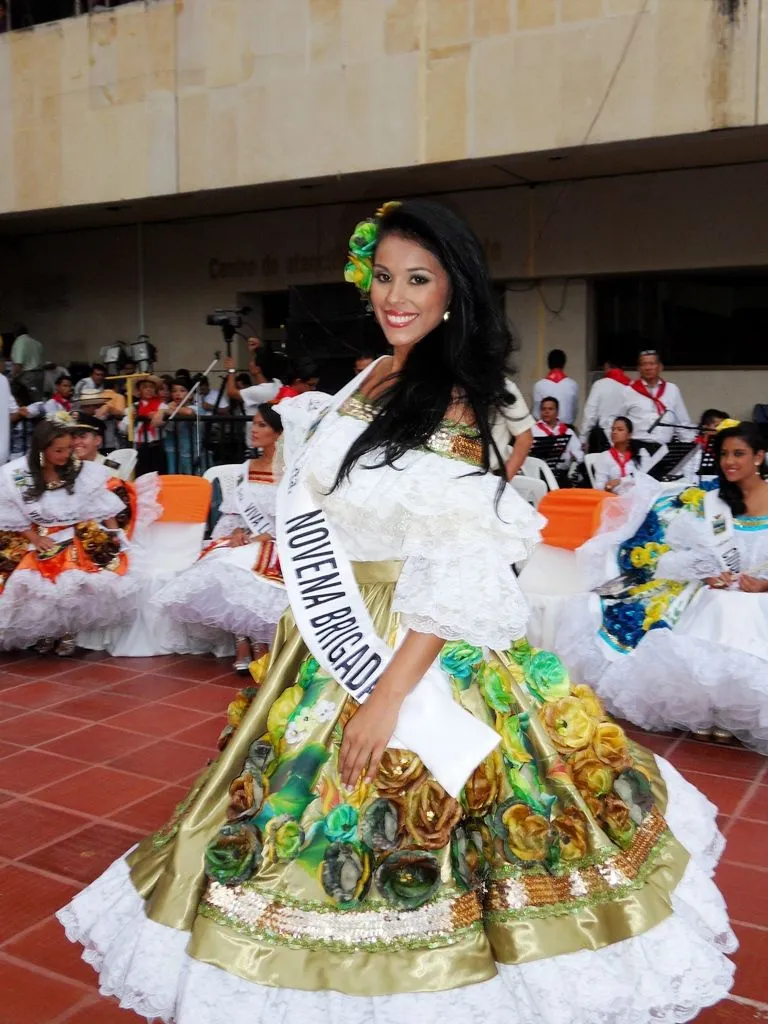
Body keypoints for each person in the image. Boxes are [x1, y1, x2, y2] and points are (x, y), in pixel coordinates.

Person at [58, 199, 734, 1023]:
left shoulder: (452, 393)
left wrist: (386, 695)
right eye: (383, 277)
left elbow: (455, 557)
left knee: (390, 804)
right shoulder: (375, 372)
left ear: (455, 290)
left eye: (418, 279)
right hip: (337, 620)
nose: (395, 295)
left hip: (409, 637)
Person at [563, 422, 768, 751]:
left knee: (737, 610)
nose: (729, 461)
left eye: (739, 454)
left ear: (759, 456)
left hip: (761, 598)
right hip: (715, 593)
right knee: (718, 605)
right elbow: (684, 552)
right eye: (725, 454)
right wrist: (706, 573)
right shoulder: (711, 502)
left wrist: (764, 585)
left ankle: (738, 711)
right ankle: (712, 711)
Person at [153, 405, 289, 672]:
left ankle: (259, 642)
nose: (254, 429)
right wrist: (237, 532)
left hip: (279, 542)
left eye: (262, 425)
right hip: (249, 538)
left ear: (280, 433)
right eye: (255, 423)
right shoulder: (247, 468)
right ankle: (242, 640)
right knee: (222, 559)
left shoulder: (293, 472)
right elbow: (234, 515)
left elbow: (297, 516)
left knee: (246, 570)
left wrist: (266, 535)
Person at [0, 419, 134, 655]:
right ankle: (44, 631)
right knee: (34, 584)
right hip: (38, 535)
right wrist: (35, 537)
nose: (66, 455)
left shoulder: (82, 471)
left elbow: (103, 506)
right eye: (58, 450)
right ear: (42, 450)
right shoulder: (16, 474)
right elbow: (9, 510)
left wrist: (115, 535)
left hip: (76, 534)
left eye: (69, 449)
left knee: (72, 583)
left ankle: (67, 631)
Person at [620, 350, 695, 444]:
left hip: (664, 449)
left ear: (660, 367)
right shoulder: (628, 391)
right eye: (644, 364)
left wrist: (690, 445)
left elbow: (683, 423)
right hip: (636, 449)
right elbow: (615, 422)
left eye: (652, 364)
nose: (648, 368)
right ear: (638, 368)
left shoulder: (672, 389)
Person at [591, 415, 659, 492]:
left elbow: (645, 478)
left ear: (629, 435)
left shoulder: (640, 454)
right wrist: (607, 487)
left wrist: (621, 481)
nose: (614, 432)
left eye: (620, 430)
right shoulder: (604, 456)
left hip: (638, 495)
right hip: (614, 498)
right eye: (613, 429)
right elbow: (599, 486)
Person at [579, 357, 631, 451]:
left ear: (607, 366)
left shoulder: (600, 384)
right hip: (624, 440)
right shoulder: (631, 386)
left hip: (603, 439)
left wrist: (583, 437)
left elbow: (590, 414)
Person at [121, 374, 168, 476]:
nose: (148, 390)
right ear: (139, 391)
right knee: (141, 476)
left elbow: (166, 423)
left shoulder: (161, 406)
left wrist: (160, 414)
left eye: (151, 387)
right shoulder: (133, 407)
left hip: (156, 447)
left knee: (159, 477)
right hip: (140, 448)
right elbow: (123, 429)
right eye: (145, 387)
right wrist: (131, 419)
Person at [532, 395, 584, 477]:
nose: (546, 412)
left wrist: (576, 466)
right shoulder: (532, 431)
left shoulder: (568, 431)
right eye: (543, 409)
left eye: (550, 409)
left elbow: (579, 454)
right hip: (539, 474)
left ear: (557, 412)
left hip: (563, 474)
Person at [224, 348, 282, 414]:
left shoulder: (258, 391)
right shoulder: (278, 383)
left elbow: (231, 392)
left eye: (252, 361)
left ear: (257, 369)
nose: (249, 363)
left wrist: (231, 370)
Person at [162, 377, 200, 474]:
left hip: (193, 453)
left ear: (191, 395)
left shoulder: (196, 407)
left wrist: (172, 408)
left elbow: (189, 412)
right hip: (177, 452)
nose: (177, 394)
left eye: (182, 391)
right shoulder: (170, 408)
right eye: (174, 391)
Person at [532, 348, 579, 425]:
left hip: (545, 430)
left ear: (548, 363)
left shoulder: (539, 385)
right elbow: (574, 411)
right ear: (564, 364)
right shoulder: (573, 384)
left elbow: (536, 414)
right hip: (566, 430)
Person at [9, 323, 44, 399]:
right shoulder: (37, 343)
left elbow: (18, 364)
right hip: (40, 374)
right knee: (38, 399)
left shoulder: (19, 341)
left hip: (27, 377)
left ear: (15, 333)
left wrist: (12, 377)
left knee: (12, 394)